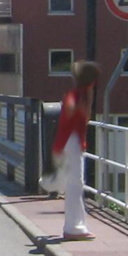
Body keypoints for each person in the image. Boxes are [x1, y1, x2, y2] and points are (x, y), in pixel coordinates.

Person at [52, 61, 101, 240]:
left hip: (72, 142)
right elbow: (74, 111)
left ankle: (76, 226)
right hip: (72, 142)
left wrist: (88, 97)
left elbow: (84, 117)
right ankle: (74, 228)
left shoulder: (80, 94)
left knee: (75, 183)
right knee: (75, 184)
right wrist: (83, 101)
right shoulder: (76, 94)